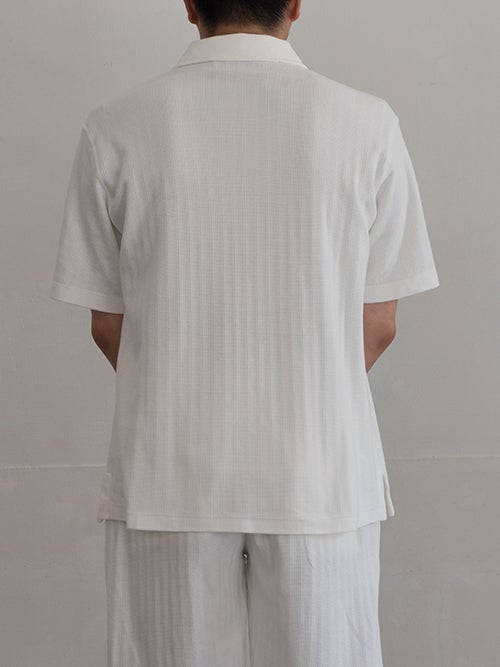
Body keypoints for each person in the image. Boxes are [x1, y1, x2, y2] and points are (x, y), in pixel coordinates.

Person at [49, 0, 440, 665]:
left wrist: (184, 383)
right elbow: (379, 323)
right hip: (320, 472)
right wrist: (308, 384)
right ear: (296, 5)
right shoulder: (368, 124)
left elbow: (108, 321)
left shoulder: (114, 127)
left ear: (189, 5)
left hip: (169, 473)